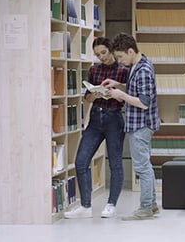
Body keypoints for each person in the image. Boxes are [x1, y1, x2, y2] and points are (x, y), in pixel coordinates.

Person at [64, 37, 128, 219]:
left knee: (115, 163)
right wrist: (93, 94)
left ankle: (111, 204)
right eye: (98, 54)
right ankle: (85, 206)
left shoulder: (123, 70)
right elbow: (87, 98)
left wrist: (115, 93)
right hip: (95, 118)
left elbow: (127, 96)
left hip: (114, 118)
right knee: (81, 161)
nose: (101, 57)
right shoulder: (94, 70)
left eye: (104, 53)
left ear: (111, 50)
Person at [102, 33, 160, 220]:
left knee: (142, 167)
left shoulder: (143, 70)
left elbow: (144, 102)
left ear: (130, 51)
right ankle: (151, 205)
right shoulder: (138, 64)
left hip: (141, 125)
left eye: (120, 57)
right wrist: (118, 84)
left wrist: (121, 96)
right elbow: (135, 88)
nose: (119, 61)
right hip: (139, 124)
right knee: (145, 165)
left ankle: (145, 208)